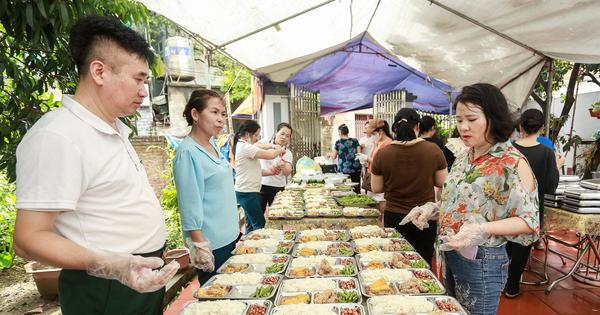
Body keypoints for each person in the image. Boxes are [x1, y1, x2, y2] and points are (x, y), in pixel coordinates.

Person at [12, 16, 179, 315]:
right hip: (105, 285)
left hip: (137, 273)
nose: (144, 92)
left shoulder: (111, 127)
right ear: (99, 72)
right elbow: (28, 239)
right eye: (138, 79)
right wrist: (114, 266)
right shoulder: (58, 135)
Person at [403, 83, 540, 315]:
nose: (463, 127)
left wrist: (482, 228)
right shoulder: (464, 157)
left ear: (494, 118)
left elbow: (529, 221)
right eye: (459, 120)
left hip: (482, 260)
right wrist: (433, 210)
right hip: (450, 252)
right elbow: (459, 203)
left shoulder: (511, 162)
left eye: (472, 119)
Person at [172, 89, 240, 285]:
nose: (220, 119)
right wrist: (201, 247)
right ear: (195, 114)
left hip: (229, 238)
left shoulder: (212, 145)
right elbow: (189, 205)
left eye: (222, 114)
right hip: (213, 245)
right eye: (214, 112)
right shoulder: (188, 153)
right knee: (218, 301)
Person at [371, 108, 448, 265]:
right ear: (418, 127)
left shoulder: (383, 154)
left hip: (395, 216)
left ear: (395, 128)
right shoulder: (433, 150)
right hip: (424, 217)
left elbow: (376, 188)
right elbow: (442, 183)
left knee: (397, 262)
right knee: (424, 263)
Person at [505, 108, 564, 299]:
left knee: (502, 246)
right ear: (542, 128)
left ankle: (496, 283)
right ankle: (512, 288)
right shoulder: (547, 152)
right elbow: (550, 187)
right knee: (521, 250)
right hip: (530, 209)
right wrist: (557, 166)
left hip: (505, 206)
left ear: (520, 126)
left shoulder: (509, 148)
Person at [233, 120, 286, 234]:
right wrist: (280, 149)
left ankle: (249, 248)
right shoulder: (245, 147)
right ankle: (257, 248)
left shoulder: (243, 145)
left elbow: (256, 170)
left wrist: (271, 172)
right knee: (259, 224)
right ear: (247, 134)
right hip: (247, 192)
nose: (257, 138)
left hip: (247, 191)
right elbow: (270, 155)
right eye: (256, 135)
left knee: (252, 224)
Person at [360, 118, 393, 221]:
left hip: (382, 181)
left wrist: (367, 159)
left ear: (381, 132)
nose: (371, 136)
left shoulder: (389, 144)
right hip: (372, 179)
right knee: (374, 210)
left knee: (382, 210)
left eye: (373, 133)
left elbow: (384, 163)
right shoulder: (376, 143)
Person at [258, 122, 294, 212]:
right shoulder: (265, 142)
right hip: (261, 184)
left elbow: (287, 172)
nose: (284, 138)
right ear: (276, 132)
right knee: (258, 215)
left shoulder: (287, 153)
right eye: (282, 134)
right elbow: (254, 146)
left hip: (277, 187)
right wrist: (273, 147)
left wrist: (284, 167)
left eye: (287, 136)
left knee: (277, 214)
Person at [326, 124, 362, 193]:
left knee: (344, 187)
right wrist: (362, 167)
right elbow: (360, 154)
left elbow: (334, 156)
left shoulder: (338, 142)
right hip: (355, 167)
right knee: (356, 187)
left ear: (340, 132)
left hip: (344, 168)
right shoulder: (355, 141)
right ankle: (358, 200)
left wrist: (329, 154)